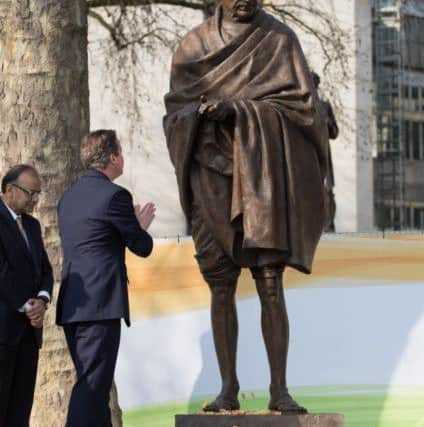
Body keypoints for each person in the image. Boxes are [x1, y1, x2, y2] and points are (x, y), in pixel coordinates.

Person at [164, 0, 328, 414]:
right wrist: (201, 114)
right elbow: (174, 113)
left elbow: (304, 109)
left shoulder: (279, 39)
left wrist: (238, 109)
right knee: (220, 284)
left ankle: (279, 390)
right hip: (210, 176)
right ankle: (227, 389)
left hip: (261, 178)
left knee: (269, 281)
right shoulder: (194, 45)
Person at [56, 130, 155, 427]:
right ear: (112, 157)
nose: (123, 157)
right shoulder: (116, 196)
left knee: (95, 388)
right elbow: (142, 246)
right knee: (91, 387)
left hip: (73, 304)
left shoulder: (67, 197)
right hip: (99, 306)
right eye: (121, 152)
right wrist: (139, 227)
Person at [0, 164, 53, 427]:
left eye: (38, 194)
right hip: (4, 330)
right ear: (9, 189)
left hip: (29, 335)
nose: (34, 200)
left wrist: (42, 300)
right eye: (30, 193)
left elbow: (44, 269)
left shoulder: (32, 225)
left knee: (21, 410)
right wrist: (25, 305)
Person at [312, 71, 339, 232]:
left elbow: (335, 132)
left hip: (323, 154)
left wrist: (328, 122)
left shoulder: (325, 106)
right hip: (307, 155)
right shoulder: (300, 105)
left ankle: (328, 226)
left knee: (327, 190)